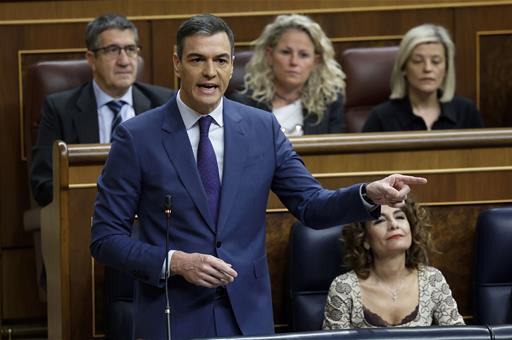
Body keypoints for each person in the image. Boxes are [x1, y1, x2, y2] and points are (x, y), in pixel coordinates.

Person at [90, 13, 426, 340]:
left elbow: (310, 204)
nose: (210, 72)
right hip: (171, 316)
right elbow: (105, 238)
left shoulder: (261, 127)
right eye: (197, 60)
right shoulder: (137, 137)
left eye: (221, 60)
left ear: (233, 64)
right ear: (177, 63)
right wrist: (174, 262)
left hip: (246, 317)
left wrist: (366, 194)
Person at [29, 13, 173, 340]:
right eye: (113, 51)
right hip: (85, 233)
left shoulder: (163, 103)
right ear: (91, 58)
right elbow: (42, 183)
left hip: (156, 233)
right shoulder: (61, 108)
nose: (125, 60)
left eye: (131, 50)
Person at [322, 198, 464, 329]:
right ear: (364, 239)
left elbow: (461, 337)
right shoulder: (344, 287)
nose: (393, 225)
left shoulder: (432, 279)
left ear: (411, 229)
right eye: (380, 221)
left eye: (400, 217)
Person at [229, 14, 345, 136]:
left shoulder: (330, 102)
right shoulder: (243, 104)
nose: (294, 62)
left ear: (316, 62)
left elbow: (338, 151)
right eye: (286, 52)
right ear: (269, 55)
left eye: (303, 55)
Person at [362, 24, 484, 132]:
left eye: (436, 61)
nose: (427, 68)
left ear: (446, 69)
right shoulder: (381, 117)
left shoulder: (466, 112)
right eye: (418, 61)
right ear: (404, 67)